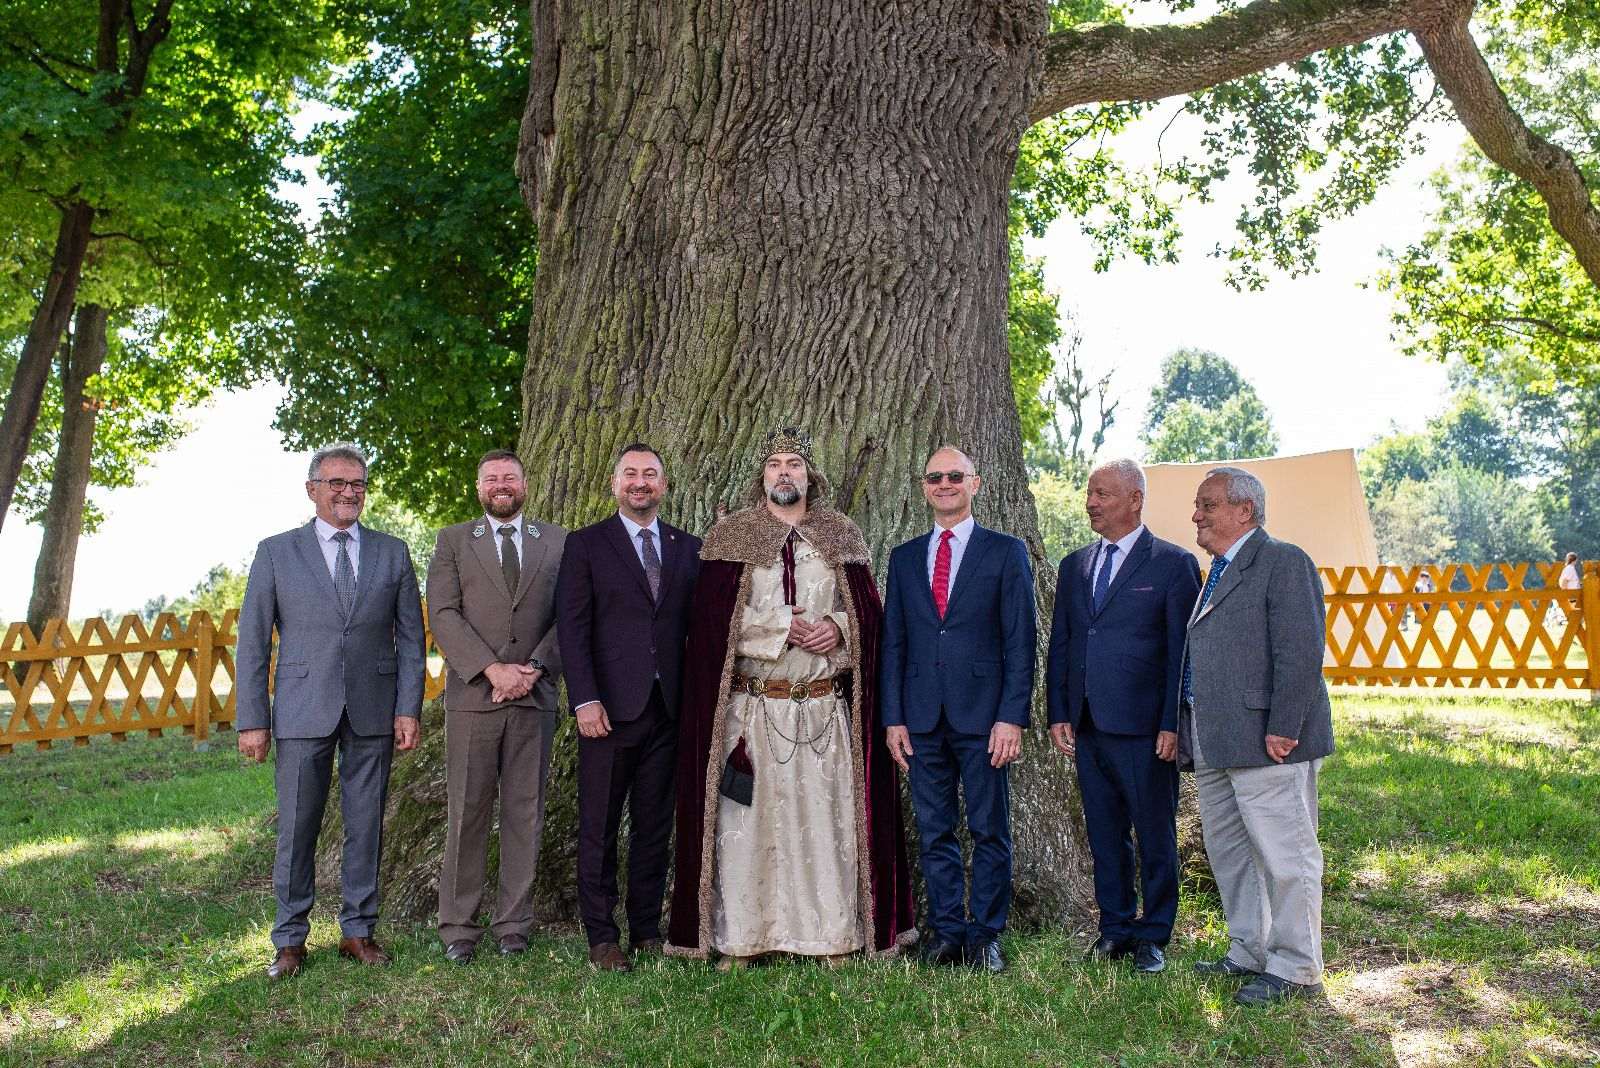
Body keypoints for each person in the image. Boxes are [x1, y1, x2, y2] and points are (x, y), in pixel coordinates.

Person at [666, 427, 915, 964]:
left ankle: (830, 939)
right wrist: (783, 624)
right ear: (763, 476)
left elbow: (872, 618)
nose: (785, 473)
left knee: (824, 827)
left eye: (795, 464)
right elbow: (709, 625)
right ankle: (744, 940)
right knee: (748, 827)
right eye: (776, 464)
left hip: (822, 710)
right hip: (751, 711)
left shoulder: (841, 536)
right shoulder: (731, 537)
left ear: (810, 476)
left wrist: (839, 629)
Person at [235, 443, 426, 981]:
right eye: (337, 483)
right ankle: (290, 939)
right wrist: (253, 719)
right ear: (312, 489)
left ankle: (358, 930)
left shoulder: (393, 552)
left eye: (358, 484)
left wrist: (408, 708)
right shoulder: (276, 552)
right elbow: (253, 643)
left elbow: (412, 640)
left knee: (366, 824)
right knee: (297, 826)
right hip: (300, 708)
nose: (348, 493)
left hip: (374, 708)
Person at [1180, 466, 1335, 1007]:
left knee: (1285, 854)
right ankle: (1249, 949)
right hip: (1216, 740)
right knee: (1230, 854)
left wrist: (1284, 729)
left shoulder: (1283, 561)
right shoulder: (1217, 571)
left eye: (1207, 504)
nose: (1196, 514)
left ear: (1244, 510)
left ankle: (1297, 967)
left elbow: (1301, 652)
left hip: (1269, 741)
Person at [880, 446, 1036, 973]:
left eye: (955, 476)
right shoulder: (903, 558)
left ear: (976, 483)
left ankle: (985, 935)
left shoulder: (1005, 552)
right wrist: (893, 716)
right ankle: (947, 933)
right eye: (934, 477)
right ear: (924, 487)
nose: (944, 484)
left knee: (990, 829)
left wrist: (1012, 716)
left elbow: (1021, 641)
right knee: (935, 829)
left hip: (985, 718)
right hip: (921, 719)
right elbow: (894, 643)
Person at [1046, 459, 1201, 974]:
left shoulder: (1172, 564)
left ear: (1135, 499)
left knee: (1154, 835)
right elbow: (1064, 642)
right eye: (1090, 493)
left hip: (1146, 729)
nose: (1092, 502)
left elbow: (1181, 652)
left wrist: (1172, 723)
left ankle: (1154, 935)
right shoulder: (1075, 565)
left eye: (1104, 495)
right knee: (1104, 834)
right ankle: (1114, 928)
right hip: (1088, 725)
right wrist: (1060, 711)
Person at [556, 443, 699, 971]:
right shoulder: (587, 545)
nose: (641, 482)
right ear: (615, 483)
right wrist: (585, 699)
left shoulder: (688, 548)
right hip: (607, 712)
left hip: (668, 711)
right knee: (598, 825)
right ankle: (601, 936)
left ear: (664, 485)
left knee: (654, 825)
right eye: (631, 474)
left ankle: (644, 929)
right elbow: (573, 629)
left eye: (651, 474)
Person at [427, 449, 566, 964]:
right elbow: (442, 613)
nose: (501, 485)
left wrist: (533, 667)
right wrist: (491, 669)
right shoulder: (454, 541)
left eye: (510, 477)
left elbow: (570, 611)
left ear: (525, 485)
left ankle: (514, 924)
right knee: (467, 813)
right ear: (479, 486)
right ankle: (459, 927)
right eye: (491, 478)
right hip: (472, 699)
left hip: (535, 696)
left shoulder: (555, 541)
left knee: (524, 812)